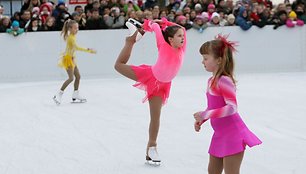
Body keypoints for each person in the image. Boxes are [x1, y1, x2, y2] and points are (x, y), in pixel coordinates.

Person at [114, 17, 186, 164]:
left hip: (164, 84)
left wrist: (166, 23)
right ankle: (130, 41)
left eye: (182, 37)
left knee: (155, 117)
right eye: (179, 36)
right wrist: (155, 23)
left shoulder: (182, 48)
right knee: (118, 66)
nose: (183, 38)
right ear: (170, 39)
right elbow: (154, 28)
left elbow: (182, 28)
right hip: (151, 77)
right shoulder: (163, 45)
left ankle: (151, 149)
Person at [193, 35, 262, 174]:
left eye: (206, 58)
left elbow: (232, 108)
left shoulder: (224, 80)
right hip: (219, 134)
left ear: (219, 60)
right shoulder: (210, 81)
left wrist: (205, 114)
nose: (203, 62)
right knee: (212, 171)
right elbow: (213, 107)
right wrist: (203, 118)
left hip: (233, 134)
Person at [53, 20, 96, 105]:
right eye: (75, 28)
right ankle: (58, 94)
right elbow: (76, 47)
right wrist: (88, 50)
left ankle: (75, 94)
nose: (77, 29)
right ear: (70, 28)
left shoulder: (72, 36)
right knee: (71, 78)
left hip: (72, 59)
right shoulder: (71, 38)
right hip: (68, 60)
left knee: (78, 76)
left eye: (78, 28)